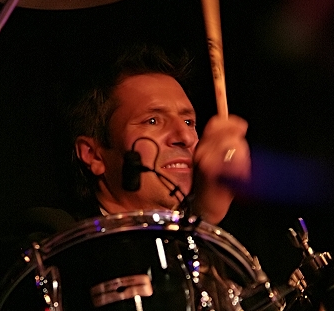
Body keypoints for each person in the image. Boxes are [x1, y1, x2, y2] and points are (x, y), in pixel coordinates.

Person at [68, 43, 251, 225]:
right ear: (93, 155)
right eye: (153, 121)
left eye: (188, 122)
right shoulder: (58, 232)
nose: (185, 137)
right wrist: (204, 218)